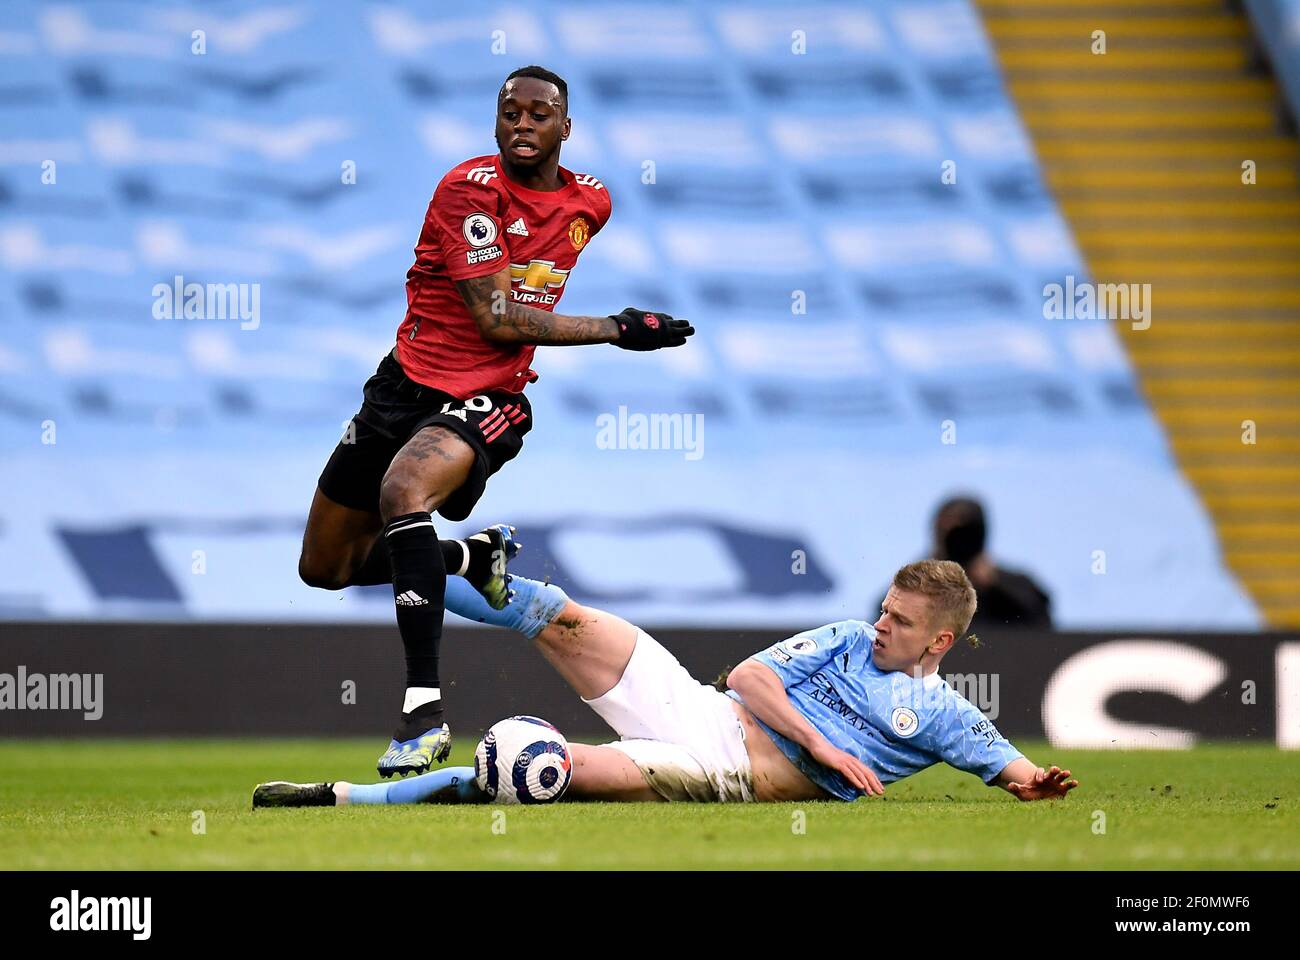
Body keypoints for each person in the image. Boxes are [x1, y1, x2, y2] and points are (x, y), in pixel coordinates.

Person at [294, 65, 694, 778]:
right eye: (511, 111)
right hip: (400, 389)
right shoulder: (467, 192)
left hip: (490, 397)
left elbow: (512, 326)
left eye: (540, 113)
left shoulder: (592, 203)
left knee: (403, 492)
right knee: (326, 568)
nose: (523, 124)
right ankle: (468, 559)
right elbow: (497, 315)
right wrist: (614, 327)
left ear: (566, 128)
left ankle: (422, 714)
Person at [255, 547, 1078, 807]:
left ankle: (336, 798)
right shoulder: (847, 637)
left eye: (899, 620)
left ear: (939, 639)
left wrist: (1033, 781)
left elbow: (1008, 767)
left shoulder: (941, 715)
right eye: (884, 608)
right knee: (558, 612)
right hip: (700, 706)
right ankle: (394, 564)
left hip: (717, 774)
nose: (880, 623)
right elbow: (750, 678)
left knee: (540, 773)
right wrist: (823, 744)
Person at [874, 495, 1051, 631]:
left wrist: (995, 586)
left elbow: (1045, 633)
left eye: (964, 534)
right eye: (949, 532)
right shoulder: (913, 589)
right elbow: (881, 624)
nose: (958, 542)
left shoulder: (1017, 587)